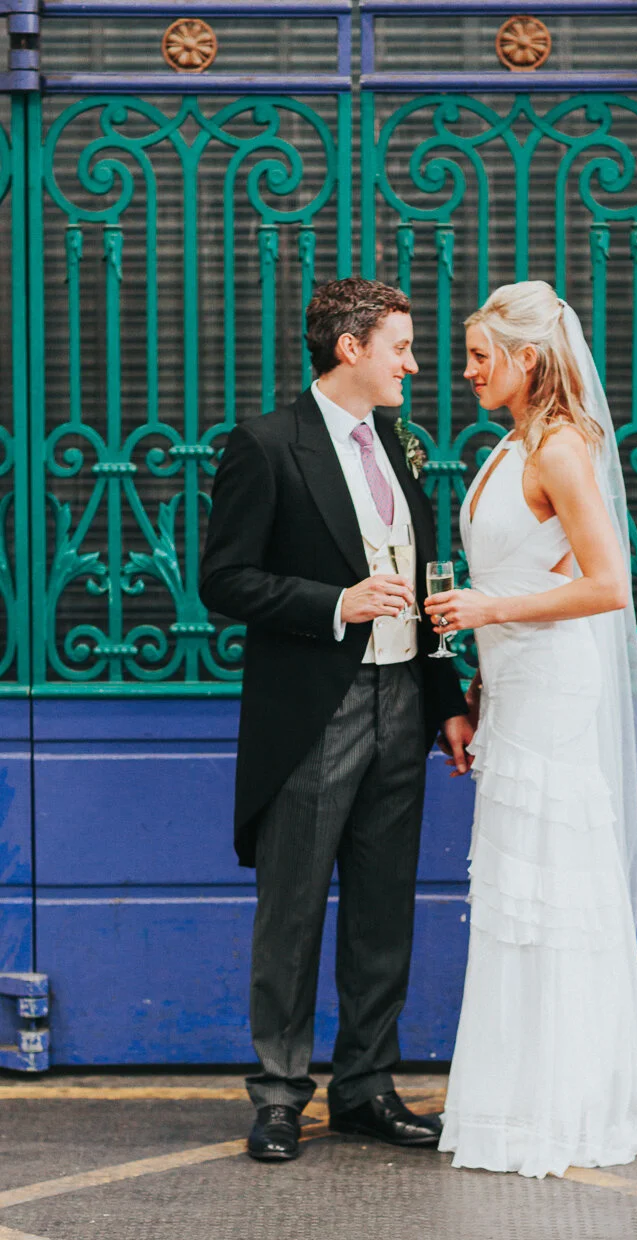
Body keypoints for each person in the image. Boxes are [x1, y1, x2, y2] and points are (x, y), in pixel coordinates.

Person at [425, 281, 637, 1179]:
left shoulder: (562, 449)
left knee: (552, 887)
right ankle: (517, 1094)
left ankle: (562, 1102)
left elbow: (610, 587)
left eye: (479, 356)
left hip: (554, 690)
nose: (466, 372)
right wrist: (481, 670)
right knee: (516, 891)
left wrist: (486, 609)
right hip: (515, 684)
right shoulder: (510, 446)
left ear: (527, 360)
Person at [200, 277, 472, 1163]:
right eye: (400, 345)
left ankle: (364, 1089)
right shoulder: (266, 444)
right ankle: (279, 1095)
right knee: (292, 911)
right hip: (318, 709)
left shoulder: (401, 443)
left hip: (403, 703)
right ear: (349, 347)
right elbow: (224, 579)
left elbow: (424, 582)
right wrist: (337, 602)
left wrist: (446, 704)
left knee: (382, 910)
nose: (414, 362)